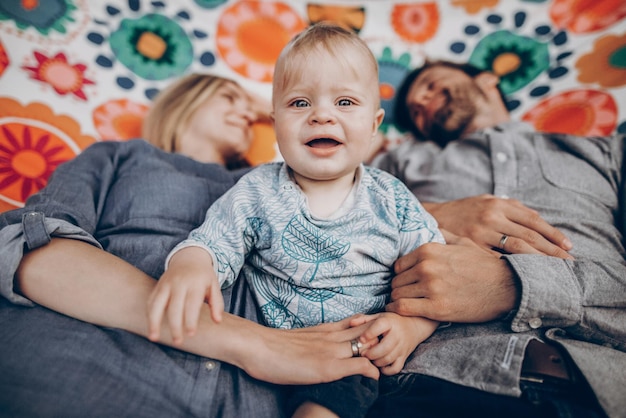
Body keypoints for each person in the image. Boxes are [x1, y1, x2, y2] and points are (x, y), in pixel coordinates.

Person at [0, 72, 380, 418]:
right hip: (82, 368)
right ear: (187, 99)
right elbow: (31, 255)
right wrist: (258, 345)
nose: (248, 115)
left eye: (255, 111)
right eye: (229, 97)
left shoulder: (282, 185)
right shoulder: (121, 156)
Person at [148, 23, 444, 418]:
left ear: (374, 126)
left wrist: (412, 329)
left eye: (345, 103)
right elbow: (215, 241)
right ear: (275, 125)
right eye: (300, 103)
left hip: (371, 346)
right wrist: (189, 265)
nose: (321, 115)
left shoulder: (392, 198)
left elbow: (436, 276)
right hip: (285, 351)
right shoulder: (257, 191)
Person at [369, 59, 626, 417]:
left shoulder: (606, 153)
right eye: (416, 111)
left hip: (599, 394)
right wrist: (437, 212)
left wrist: (512, 287)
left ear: (487, 79)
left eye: (429, 84)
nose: (423, 104)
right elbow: (339, 221)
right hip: (428, 388)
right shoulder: (399, 162)